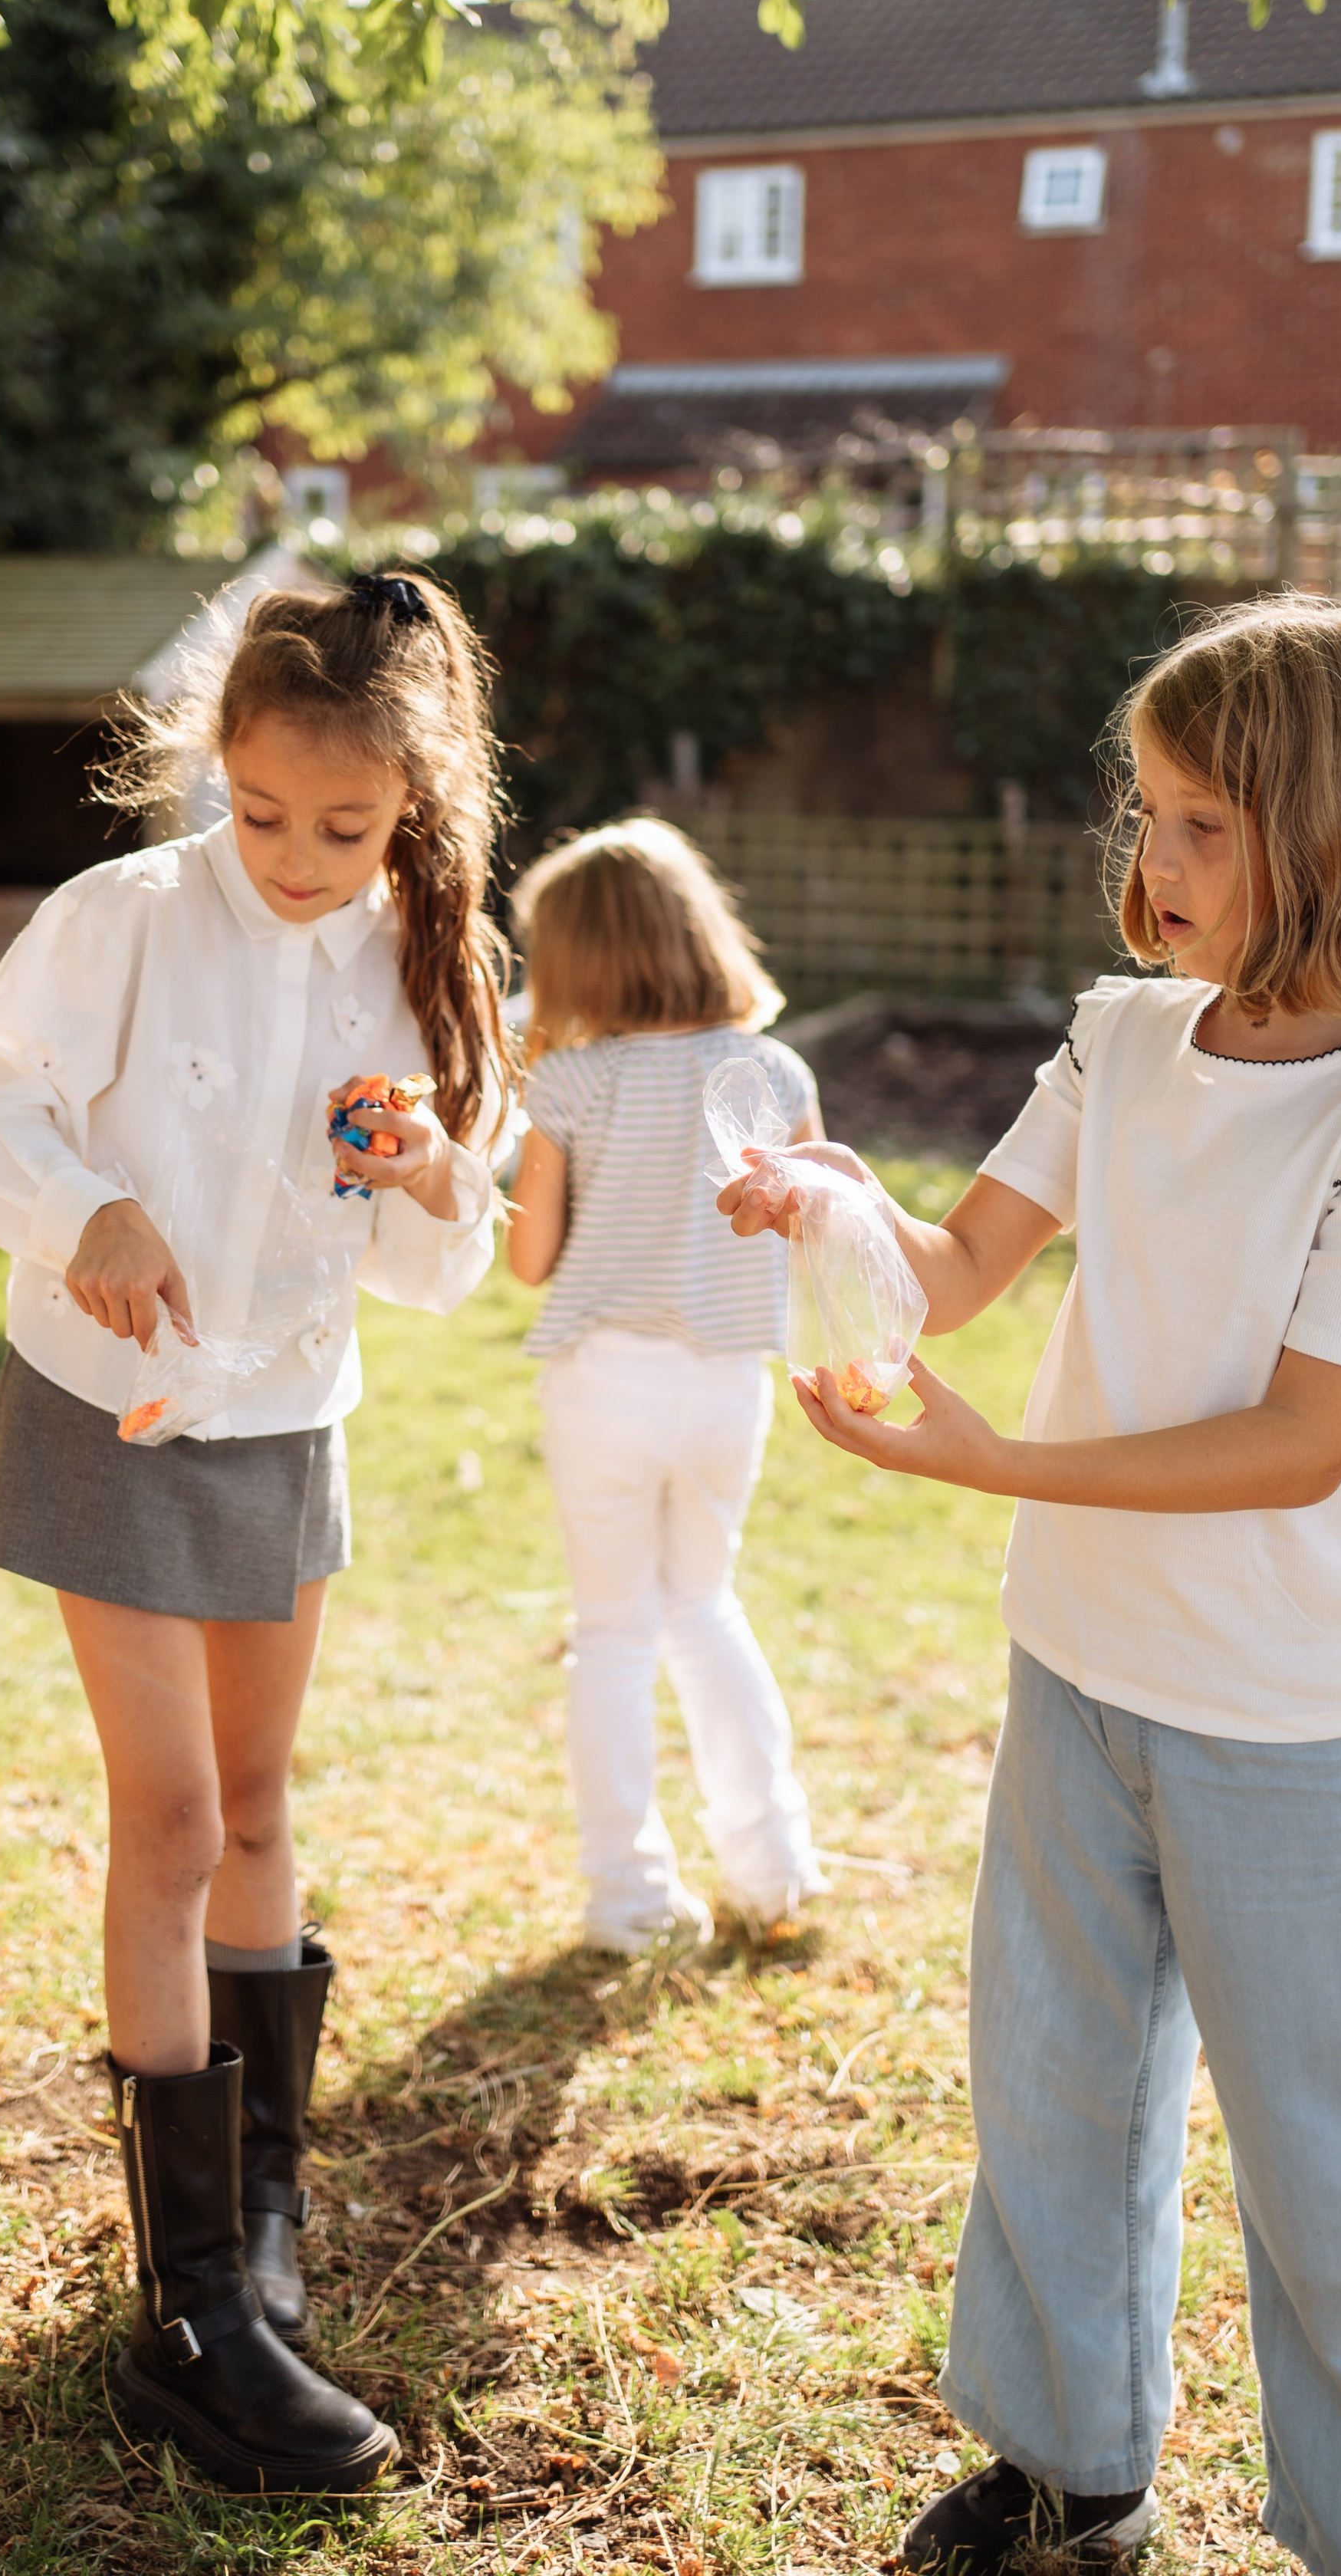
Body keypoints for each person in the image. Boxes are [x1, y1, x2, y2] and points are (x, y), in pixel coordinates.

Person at [721, 597, 1341, 2576]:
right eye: (1144, 816)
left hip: (1288, 1720)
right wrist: (835, 1205)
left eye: (1203, 825)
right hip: (1078, 1670)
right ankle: (1068, 2476)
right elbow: (955, 1269)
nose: (1154, 865)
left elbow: (1297, 1442)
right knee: (1052, 2092)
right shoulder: (1117, 1036)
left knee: (1332, 2177)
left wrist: (991, 1462)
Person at [0, 568, 509, 2496]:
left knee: (262, 1805)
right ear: (216, 773)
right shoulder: (120, 920)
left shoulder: (426, 955)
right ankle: (185, 2314)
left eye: (341, 827)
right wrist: (80, 1212)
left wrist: (430, 1163)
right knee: (170, 1819)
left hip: (285, 1412)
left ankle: (258, 2225)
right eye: (258, 811)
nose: (291, 855)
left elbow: (443, 1259)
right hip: (114, 1409)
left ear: (412, 807)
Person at [505, 817, 828, 1953]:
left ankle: (630, 1900)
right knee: (705, 1607)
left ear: (572, 960)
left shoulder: (567, 1082)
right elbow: (812, 1235)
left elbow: (531, 1260)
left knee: (614, 1632)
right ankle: (775, 1865)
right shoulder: (777, 1071)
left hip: (604, 1385)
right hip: (728, 1386)